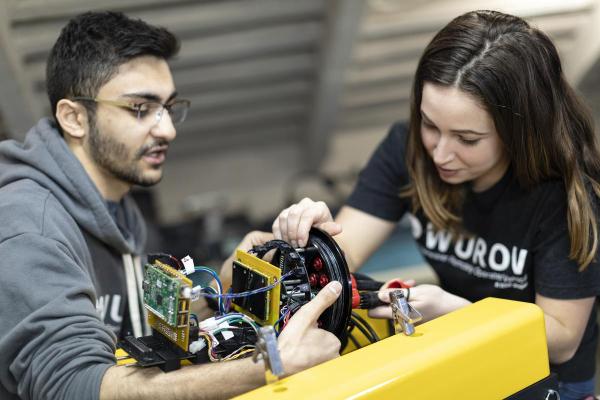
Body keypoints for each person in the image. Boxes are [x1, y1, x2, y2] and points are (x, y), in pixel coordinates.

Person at [0, 11, 341, 400]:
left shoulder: (120, 209)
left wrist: (227, 289)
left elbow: (133, 341)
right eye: (140, 109)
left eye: (168, 108)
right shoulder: (28, 226)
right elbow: (74, 387)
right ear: (74, 118)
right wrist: (268, 366)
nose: (168, 129)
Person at [273, 10, 600, 400]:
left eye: (467, 138)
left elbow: (562, 338)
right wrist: (317, 240)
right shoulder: (406, 149)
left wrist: (459, 312)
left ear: (521, 131)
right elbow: (346, 255)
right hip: (462, 356)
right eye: (430, 125)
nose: (441, 153)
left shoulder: (565, 195)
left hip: (546, 379)